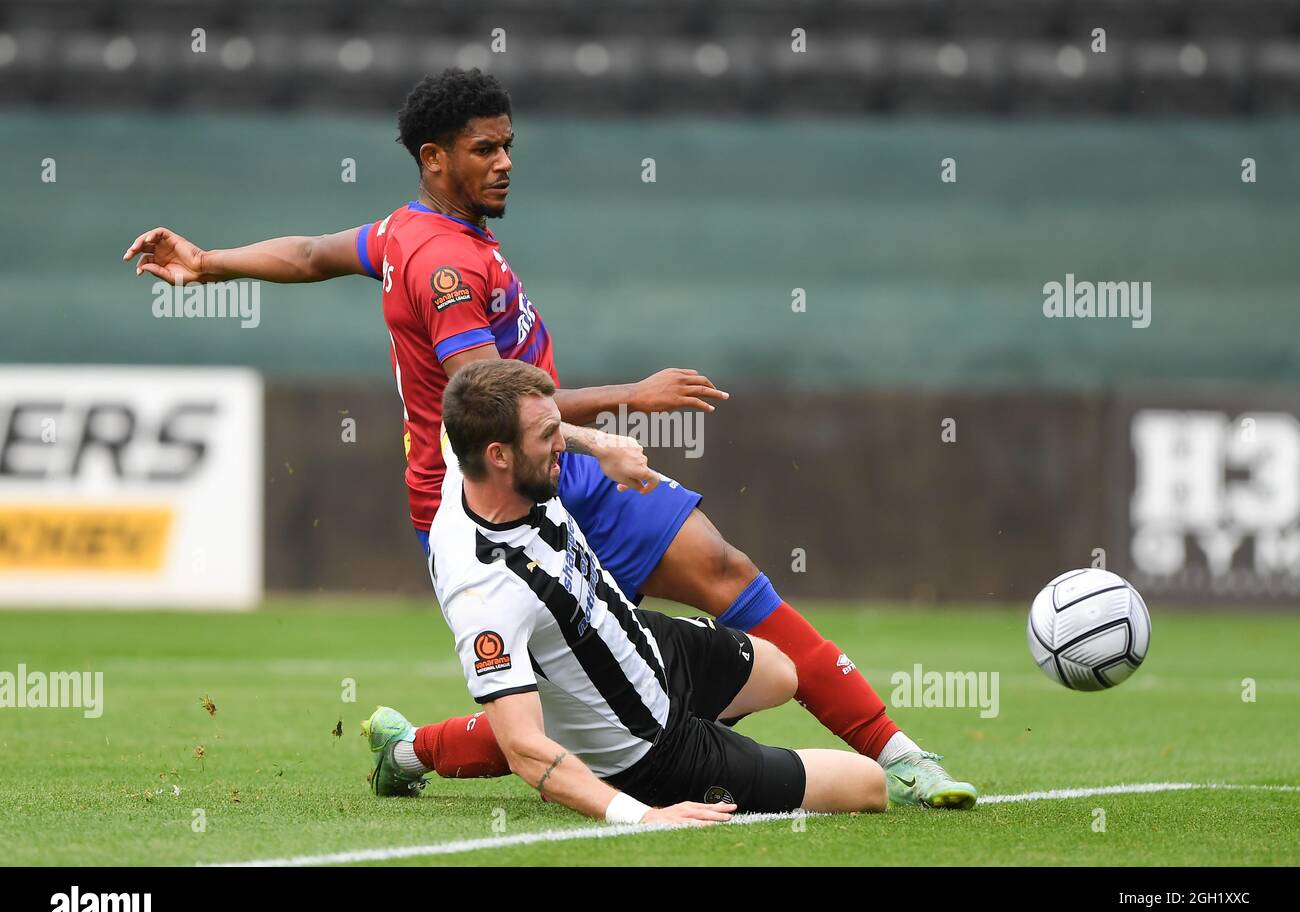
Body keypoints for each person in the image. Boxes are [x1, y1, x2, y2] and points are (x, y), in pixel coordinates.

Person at [123, 67, 976, 809]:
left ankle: (897, 753)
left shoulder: (403, 234)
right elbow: (499, 406)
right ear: (434, 159)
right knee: (602, 699)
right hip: (505, 496)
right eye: (484, 149)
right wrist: (626, 407)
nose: (503, 163)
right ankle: (415, 750)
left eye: (507, 145)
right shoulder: (448, 269)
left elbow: (312, 252)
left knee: (721, 577)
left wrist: (209, 262)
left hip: (557, 464)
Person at [374, 358, 887, 823]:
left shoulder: (466, 455)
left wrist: (600, 443)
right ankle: (695, 767)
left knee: (781, 671)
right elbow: (524, 747)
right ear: (499, 456)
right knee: (869, 786)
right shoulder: (486, 592)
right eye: (549, 436)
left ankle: (412, 750)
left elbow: (479, 425)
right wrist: (640, 815)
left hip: (648, 648)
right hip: (648, 751)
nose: (561, 445)